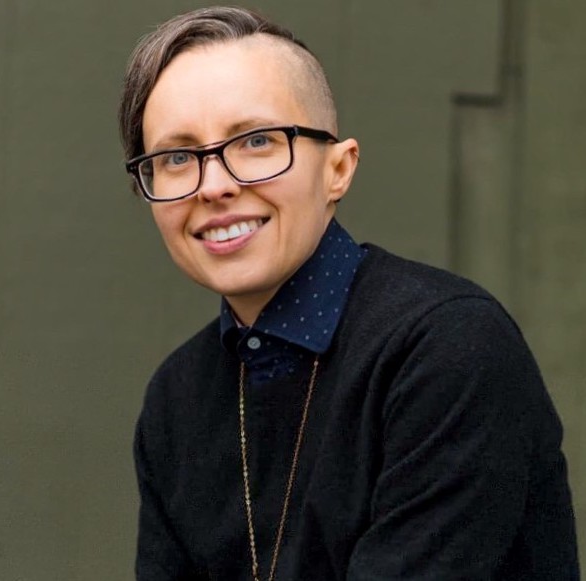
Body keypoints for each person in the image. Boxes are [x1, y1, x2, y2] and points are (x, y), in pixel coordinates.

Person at [118, 6, 579, 580]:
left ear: (338, 169)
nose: (214, 186)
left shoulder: (447, 347)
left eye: (257, 141)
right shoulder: (175, 399)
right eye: (176, 158)